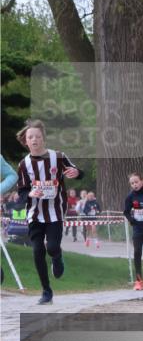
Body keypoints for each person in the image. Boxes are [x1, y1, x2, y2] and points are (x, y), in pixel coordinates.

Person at [14, 119, 81, 304]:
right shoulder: (23, 164)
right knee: (37, 251)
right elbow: (21, 192)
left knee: (51, 247)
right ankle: (46, 291)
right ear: (26, 141)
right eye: (30, 137)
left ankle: (57, 256)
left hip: (56, 212)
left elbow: (75, 171)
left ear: (43, 138)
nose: (34, 140)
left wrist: (77, 173)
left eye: (37, 136)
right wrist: (30, 193)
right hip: (35, 213)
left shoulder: (58, 157)